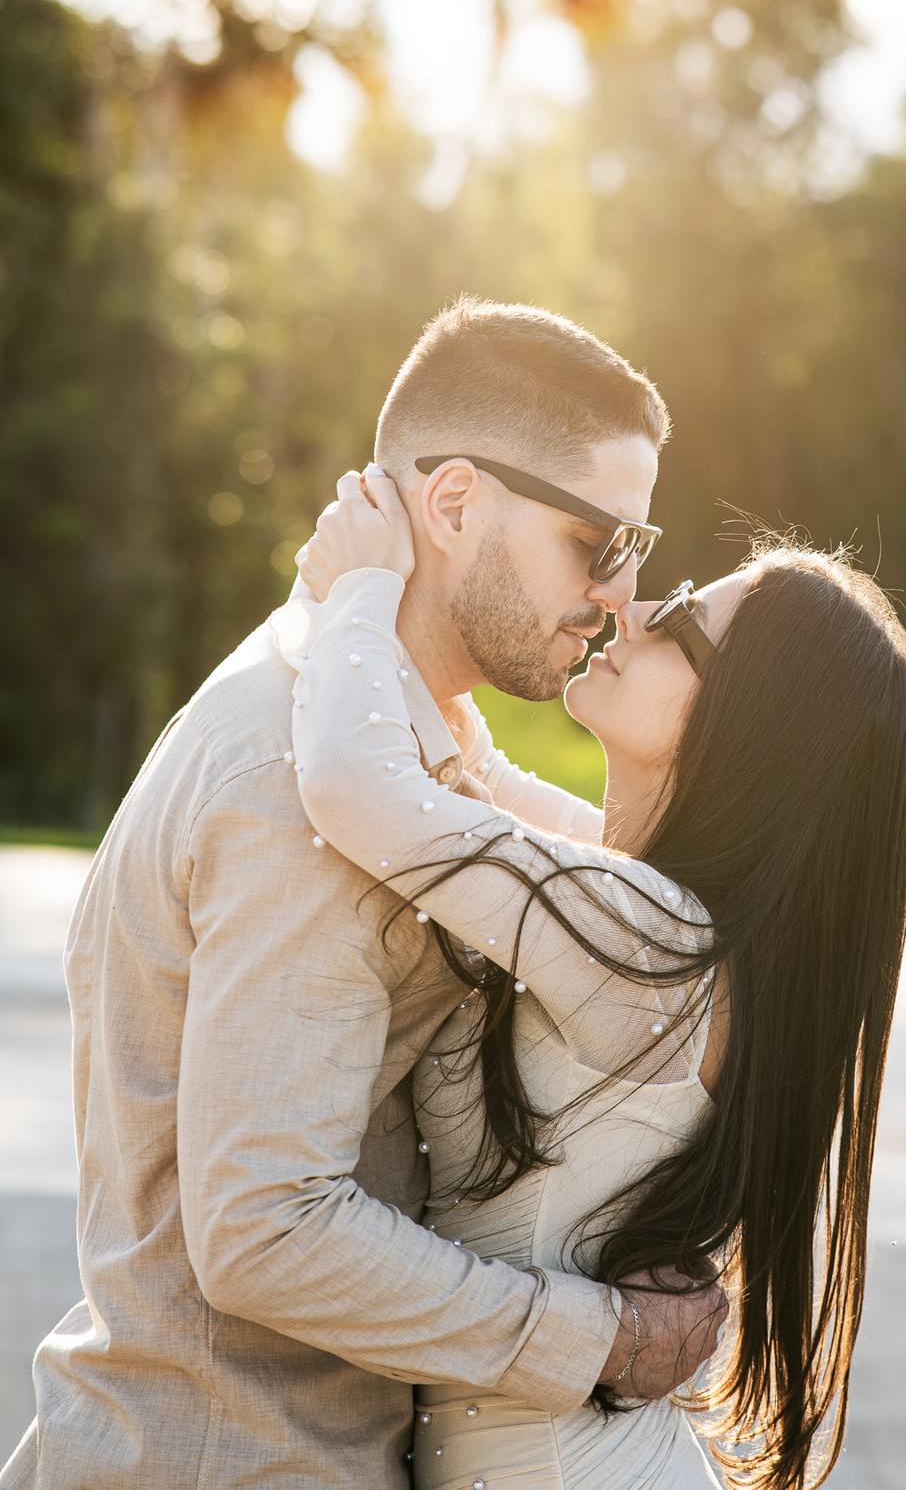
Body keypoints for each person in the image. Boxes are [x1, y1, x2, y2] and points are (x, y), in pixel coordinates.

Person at [1, 300, 726, 1490]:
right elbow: (265, 1228)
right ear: (455, 506)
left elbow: (596, 870)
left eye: (637, 550)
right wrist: (596, 1338)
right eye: (598, 543)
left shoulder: (398, 732)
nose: (619, 593)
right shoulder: (301, 787)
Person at [274, 451, 906, 1489]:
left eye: (684, 623)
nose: (634, 608)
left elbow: (360, 783)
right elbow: (473, 777)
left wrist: (358, 583)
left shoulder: (644, 937)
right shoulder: (658, 915)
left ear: (750, 730)